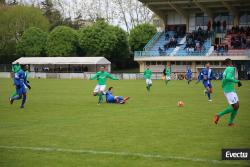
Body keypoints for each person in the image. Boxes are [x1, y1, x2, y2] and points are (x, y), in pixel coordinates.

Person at [214, 58, 242, 126]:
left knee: (237, 105)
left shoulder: (226, 69)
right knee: (235, 106)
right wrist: (237, 81)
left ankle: (230, 122)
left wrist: (223, 86)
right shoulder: (231, 68)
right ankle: (218, 115)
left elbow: (224, 79)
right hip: (229, 90)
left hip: (230, 89)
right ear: (230, 62)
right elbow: (228, 78)